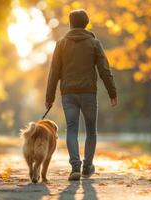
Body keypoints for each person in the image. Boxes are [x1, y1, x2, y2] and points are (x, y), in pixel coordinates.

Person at [45, 9, 117, 181]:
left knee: (71, 129)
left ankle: (75, 167)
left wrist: (49, 97)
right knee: (91, 130)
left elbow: (54, 72)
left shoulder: (61, 43)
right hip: (88, 93)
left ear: (70, 24)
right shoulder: (94, 43)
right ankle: (87, 166)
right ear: (86, 24)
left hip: (68, 94)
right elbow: (104, 70)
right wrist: (112, 92)